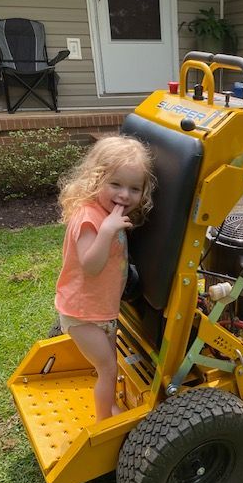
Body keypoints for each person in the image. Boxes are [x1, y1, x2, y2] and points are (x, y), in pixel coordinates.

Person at [55, 136, 155, 422]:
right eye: (116, 185)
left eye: (134, 188)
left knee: (110, 365)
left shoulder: (108, 213)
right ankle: (104, 422)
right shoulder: (90, 218)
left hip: (101, 311)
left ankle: (108, 406)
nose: (124, 195)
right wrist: (108, 230)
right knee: (108, 369)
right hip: (82, 315)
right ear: (96, 180)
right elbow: (91, 265)